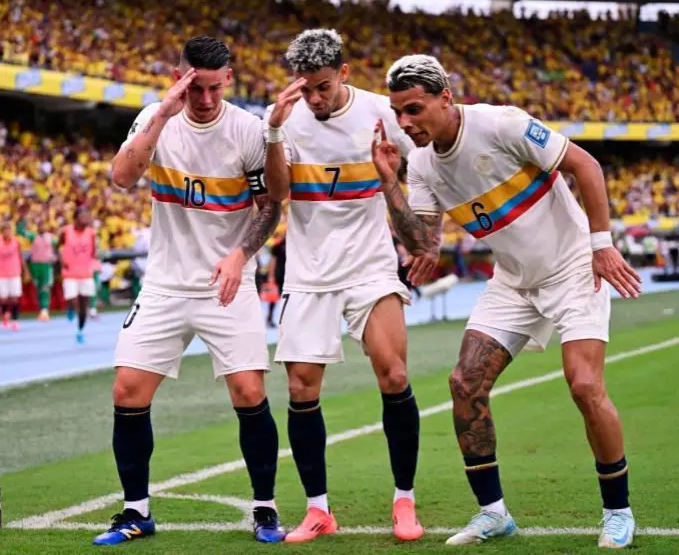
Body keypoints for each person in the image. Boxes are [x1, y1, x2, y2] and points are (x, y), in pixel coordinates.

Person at [372, 54, 641, 549]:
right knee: (464, 384)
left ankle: (618, 512)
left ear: (445, 98)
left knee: (584, 386)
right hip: (513, 282)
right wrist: (390, 182)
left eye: (414, 109)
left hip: (572, 269)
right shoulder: (425, 165)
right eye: (399, 112)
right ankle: (493, 513)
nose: (405, 122)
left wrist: (601, 246)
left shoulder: (502, 123)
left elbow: (586, 164)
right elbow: (422, 243)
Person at [92, 36, 284, 546]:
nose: (205, 100)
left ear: (229, 81)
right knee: (127, 391)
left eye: (215, 88)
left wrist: (240, 256)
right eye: (195, 88)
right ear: (180, 78)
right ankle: (136, 511)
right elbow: (121, 177)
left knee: (249, 392)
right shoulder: (156, 117)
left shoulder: (248, 130)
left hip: (228, 281)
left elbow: (269, 207)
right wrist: (161, 118)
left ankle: (264, 507)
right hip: (165, 284)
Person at [262, 29, 423, 543]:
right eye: (305, 88)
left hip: (370, 266)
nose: (314, 98)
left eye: (323, 87)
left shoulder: (381, 114)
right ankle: (318, 510)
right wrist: (272, 133)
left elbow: (423, 175)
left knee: (394, 375)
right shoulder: (286, 120)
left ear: (345, 74)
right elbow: (279, 195)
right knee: (300, 389)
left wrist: (399, 192)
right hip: (308, 272)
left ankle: (404, 502)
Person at [59, 208, 98, 342]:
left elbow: (93, 252)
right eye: (83, 215)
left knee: (84, 304)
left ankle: (80, 330)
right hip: (70, 272)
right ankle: (70, 308)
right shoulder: (66, 231)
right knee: (72, 299)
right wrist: (61, 259)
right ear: (76, 217)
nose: (86, 218)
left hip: (86, 273)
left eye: (88, 215)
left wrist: (94, 264)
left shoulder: (91, 233)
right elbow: (58, 246)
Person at [0, 221, 29, 331]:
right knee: (3, 298)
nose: (8, 232)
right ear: (2, 231)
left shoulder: (16, 241)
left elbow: (20, 256)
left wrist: (25, 270)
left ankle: (15, 320)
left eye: (9, 229)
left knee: (15, 298)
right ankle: (5, 314)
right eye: (5, 230)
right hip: (2, 274)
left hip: (15, 273)